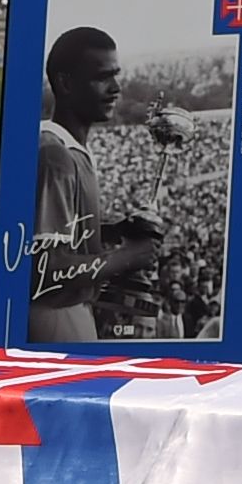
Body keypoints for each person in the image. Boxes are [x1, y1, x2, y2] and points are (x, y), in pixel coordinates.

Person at [21, 24, 157, 345]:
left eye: (116, 75)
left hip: (70, 311)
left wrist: (110, 230)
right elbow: (44, 270)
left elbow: (55, 236)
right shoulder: (55, 154)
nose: (116, 88)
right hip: (55, 317)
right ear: (66, 83)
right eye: (102, 77)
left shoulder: (65, 145)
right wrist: (129, 256)